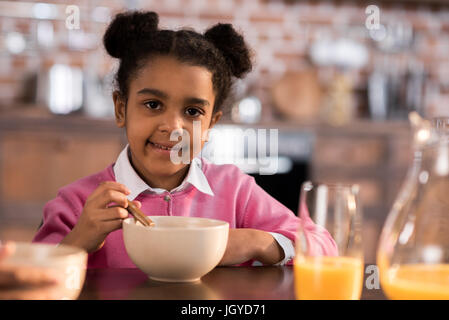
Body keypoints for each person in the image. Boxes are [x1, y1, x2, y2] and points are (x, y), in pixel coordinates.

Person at [33, 11, 336, 268]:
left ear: (210, 124)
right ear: (121, 108)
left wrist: (256, 240)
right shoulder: (80, 203)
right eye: (153, 105)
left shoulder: (234, 191)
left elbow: (325, 247)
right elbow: (32, 277)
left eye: (192, 111)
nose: (173, 127)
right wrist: (78, 242)